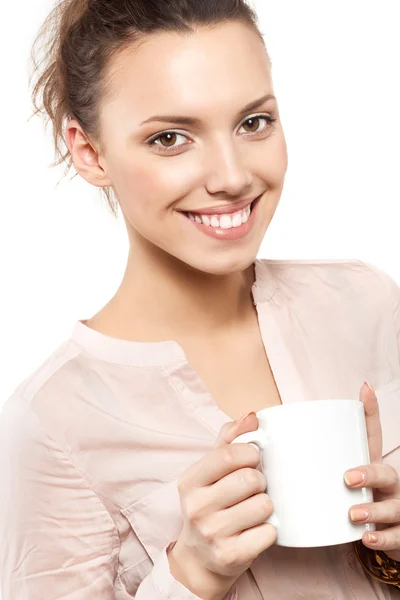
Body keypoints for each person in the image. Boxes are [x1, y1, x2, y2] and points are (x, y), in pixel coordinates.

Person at [0, 0, 399, 598]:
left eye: (252, 123)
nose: (232, 175)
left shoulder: (361, 299)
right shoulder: (55, 420)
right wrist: (192, 574)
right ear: (90, 151)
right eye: (170, 138)